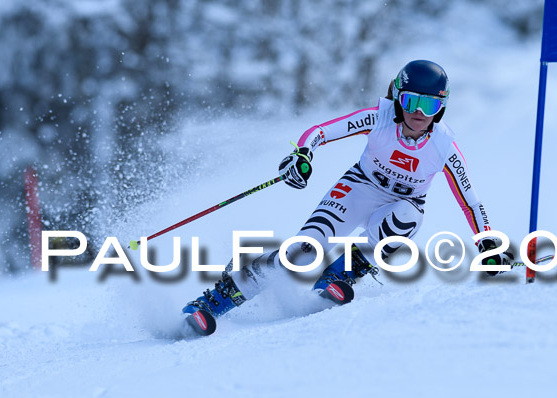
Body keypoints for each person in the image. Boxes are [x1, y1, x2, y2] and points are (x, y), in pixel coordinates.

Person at [182, 60, 513, 334]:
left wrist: (488, 244)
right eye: (412, 101)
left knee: (409, 217)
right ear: (398, 98)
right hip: (359, 188)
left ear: (441, 109)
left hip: (401, 203)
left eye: (431, 104)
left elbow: (470, 201)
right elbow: (322, 131)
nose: (419, 113)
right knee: (303, 252)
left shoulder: (443, 146)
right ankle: (213, 301)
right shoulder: (379, 117)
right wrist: (303, 155)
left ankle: (340, 274)